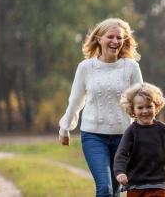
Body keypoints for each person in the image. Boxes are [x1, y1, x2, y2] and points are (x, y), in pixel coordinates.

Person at [58, 18, 143, 197]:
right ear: (99, 39)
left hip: (123, 137)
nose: (115, 42)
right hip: (93, 136)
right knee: (104, 189)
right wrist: (65, 128)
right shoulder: (86, 67)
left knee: (117, 190)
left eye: (119, 38)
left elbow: (140, 102)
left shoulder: (131, 67)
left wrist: (146, 132)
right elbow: (75, 100)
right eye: (110, 37)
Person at [114, 83, 165, 197]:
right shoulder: (131, 131)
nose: (145, 111)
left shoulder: (163, 129)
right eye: (140, 107)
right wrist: (120, 172)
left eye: (149, 106)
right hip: (135, 185)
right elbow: (121, 154)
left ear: (156, 106)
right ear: (132, 109)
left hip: (158, 184)